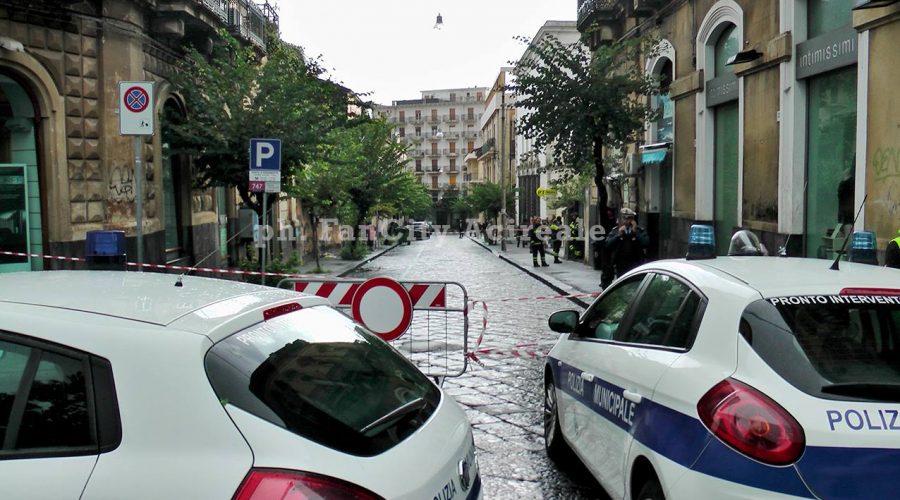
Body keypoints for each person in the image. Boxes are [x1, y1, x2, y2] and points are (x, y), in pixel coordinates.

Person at [605, 207, 649, 279]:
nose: (626, 221)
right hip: (620, 264)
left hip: (636, 263)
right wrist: (618, 236)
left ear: (632, 220)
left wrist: (635, 232)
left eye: (628, 218)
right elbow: (608, 244)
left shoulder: (639, 230)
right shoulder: (616, 230)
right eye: (624, 218)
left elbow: (646, 243)